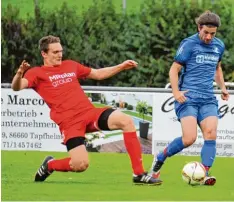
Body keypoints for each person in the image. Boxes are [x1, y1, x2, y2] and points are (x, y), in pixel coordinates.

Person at [11, 35, 162, 185]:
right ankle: (50, 165)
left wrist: (121, 66)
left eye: (61, 51)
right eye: (55, 52)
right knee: (80, 165)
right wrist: (19, 74)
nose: (60, 54)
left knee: (126, 121)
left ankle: (139, 174)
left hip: (89, 113)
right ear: (44, 54)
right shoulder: (37, 73)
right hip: (70, 123)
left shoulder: (70, 65)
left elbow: (97, 74)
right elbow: (16, 87)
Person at [149, 11, 229, 185]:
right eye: (206, 32)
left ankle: (204, 173)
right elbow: (174, 69)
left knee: (211, 134)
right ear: (199, 27)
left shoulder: (219, 46)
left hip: (208, 98)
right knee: (189, 138)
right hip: (189, 98)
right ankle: (160, 158)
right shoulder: (189, 44)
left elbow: (217, 69)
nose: (208, 37)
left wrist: (223, 88)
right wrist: (176, 93)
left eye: (212, 34)